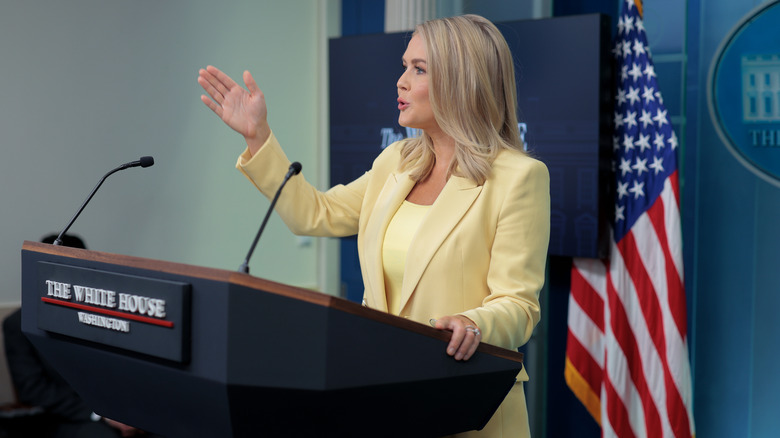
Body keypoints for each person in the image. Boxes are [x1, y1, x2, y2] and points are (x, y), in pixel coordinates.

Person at [198, 14, 550, 438]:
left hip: (467, 404)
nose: (400, 81)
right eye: (404, 66)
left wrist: (473, 323)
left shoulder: (518, 177)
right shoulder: (396, 161)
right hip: (385, 399)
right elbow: (313, 213)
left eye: (418, 69)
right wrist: (258, 137)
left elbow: (519, 305)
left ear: (461, 81)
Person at [2, 234, 145, 438]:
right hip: (66, 416)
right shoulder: (19, 323)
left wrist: (133, 412)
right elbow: (33, 389)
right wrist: (102, 415)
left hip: (124, 409)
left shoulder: (110, 313)